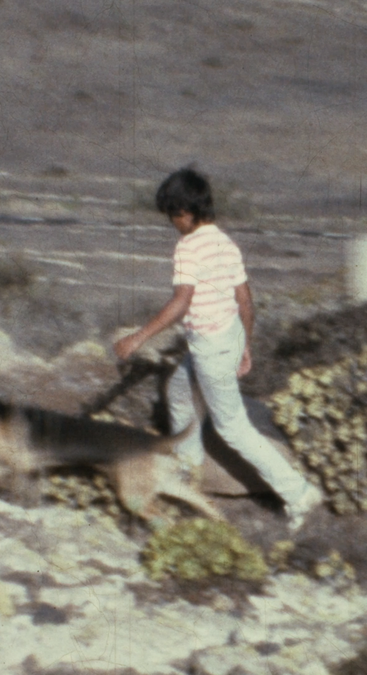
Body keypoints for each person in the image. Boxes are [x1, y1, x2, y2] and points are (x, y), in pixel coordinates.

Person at [113, 167, 323, 532]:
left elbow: (181, 303)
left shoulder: (188, 247)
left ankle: (299, 493)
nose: (172, 224)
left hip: (211, 347)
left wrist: (138, 338)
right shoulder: (226, 243)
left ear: (186, 214)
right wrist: (245, 345)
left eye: (172, 216)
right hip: (224, 338)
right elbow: (245, 299)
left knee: (233, 428)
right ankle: (188, 468)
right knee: (178, 389)